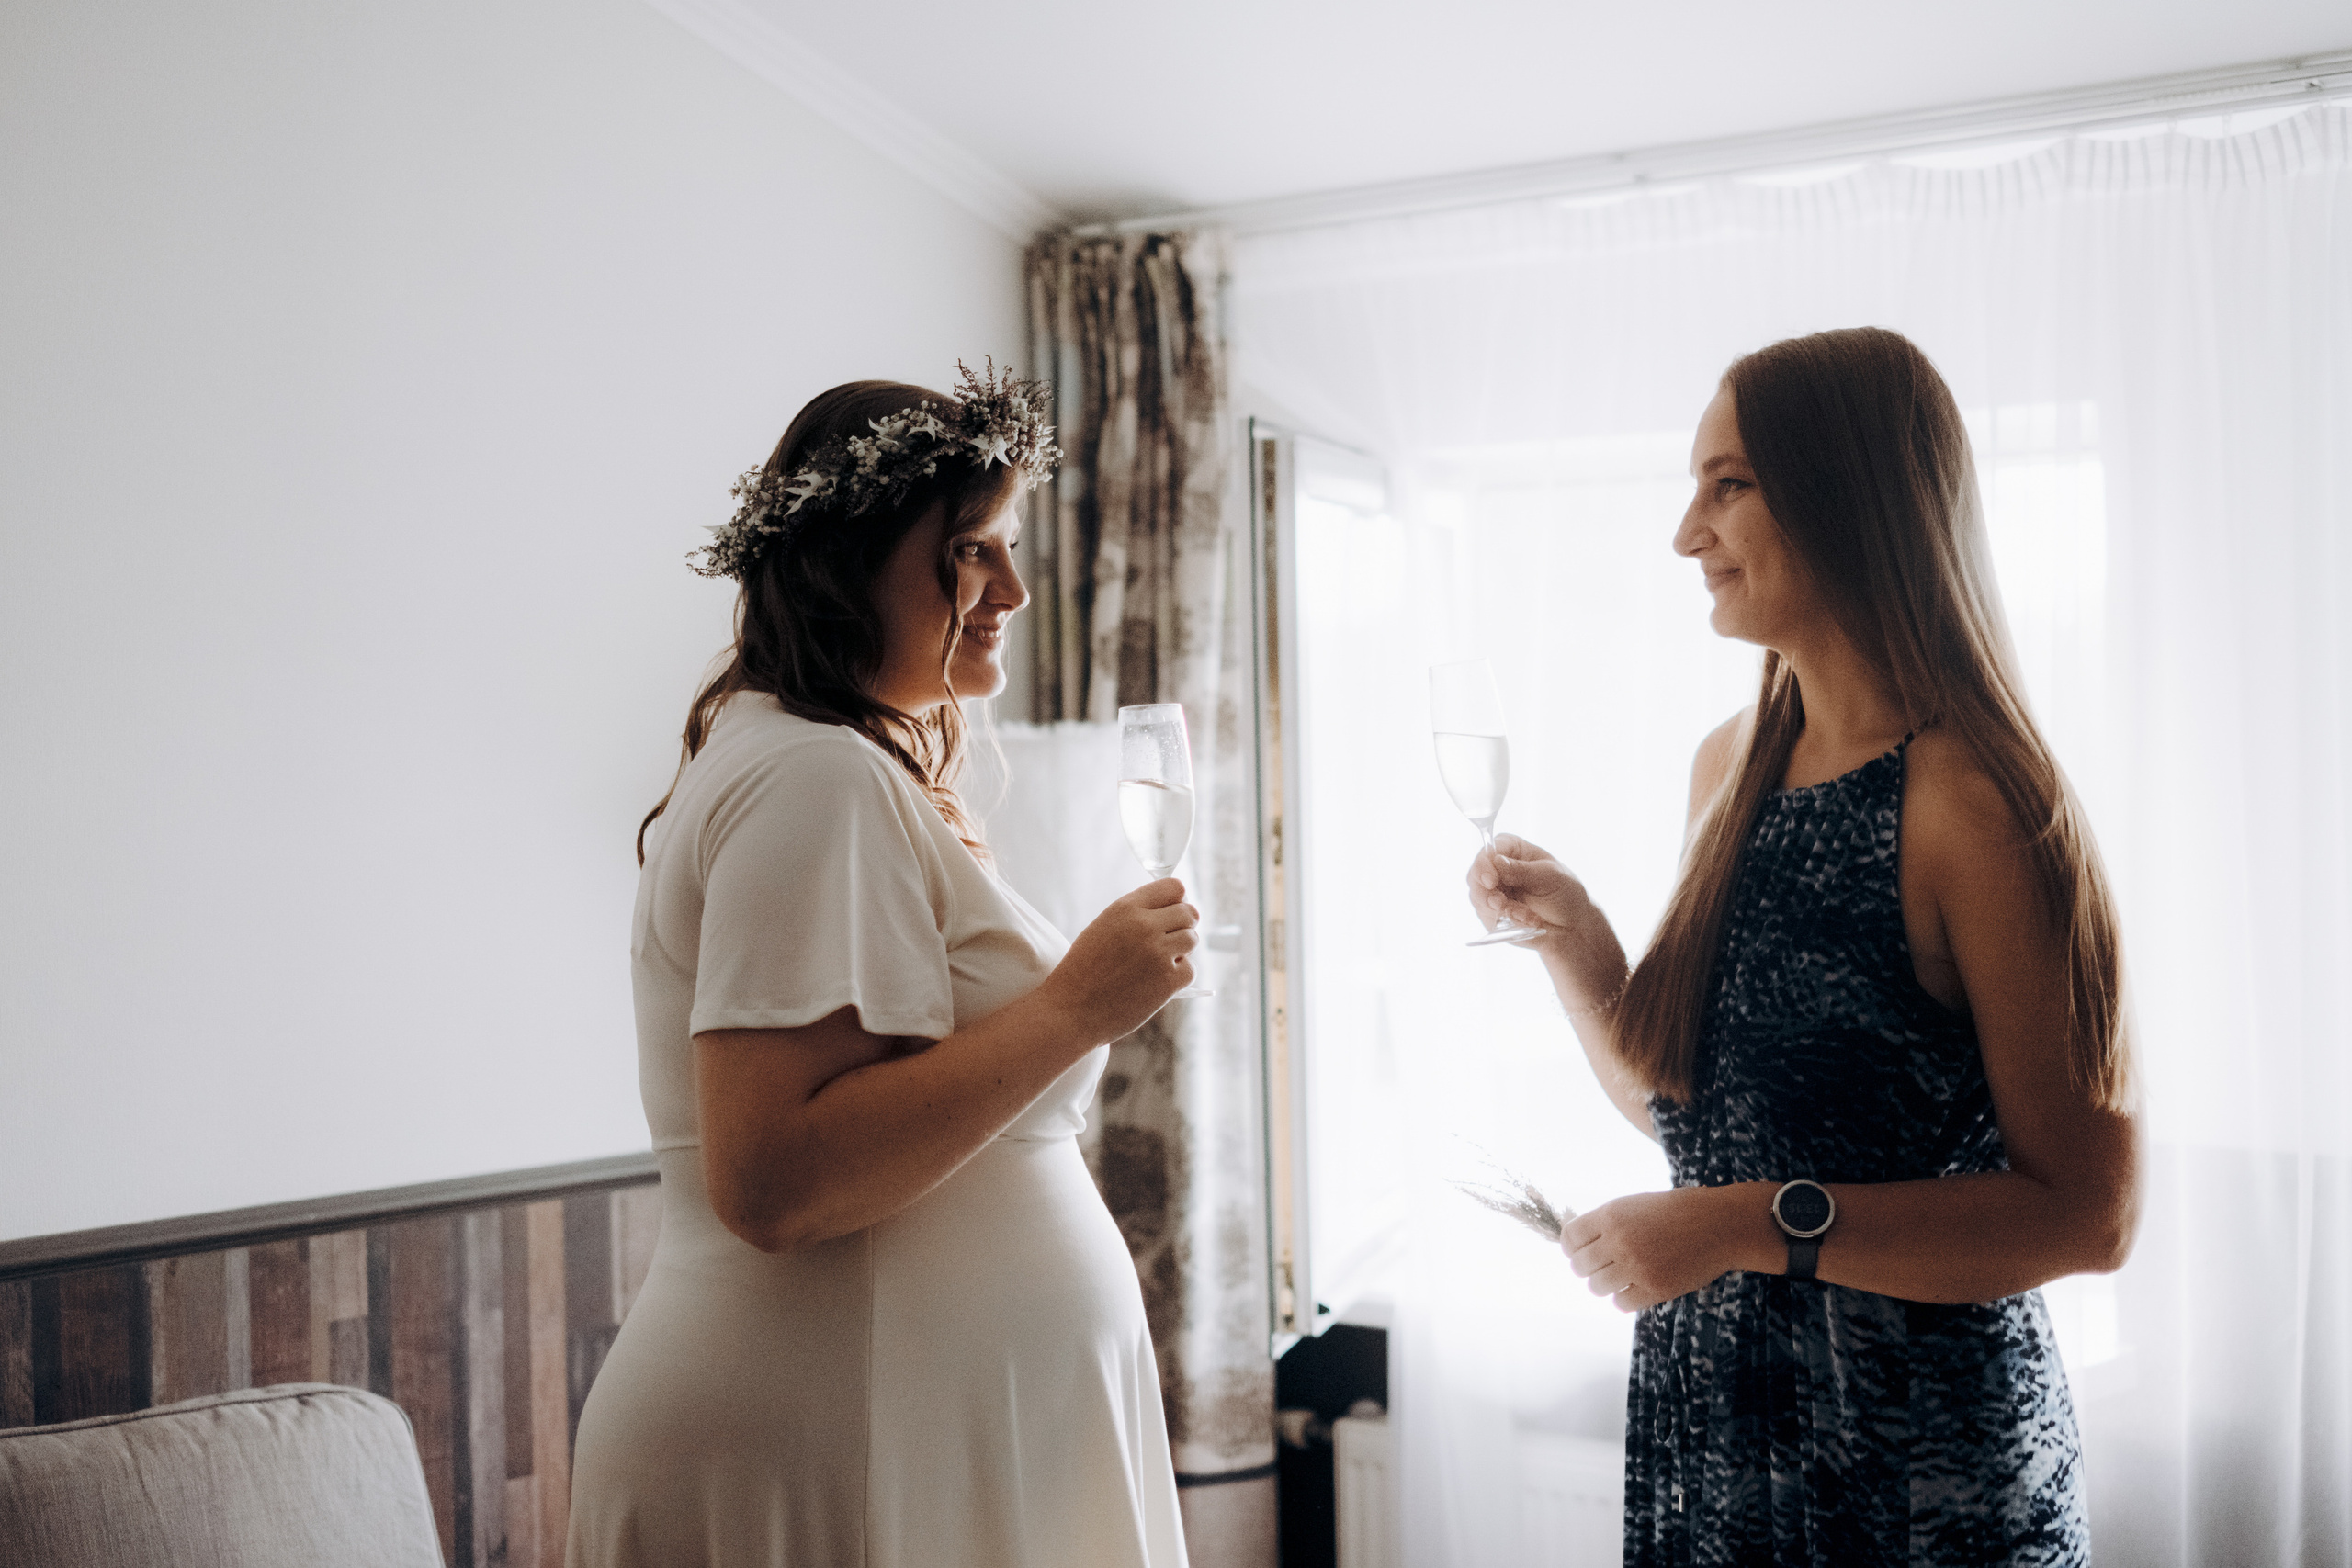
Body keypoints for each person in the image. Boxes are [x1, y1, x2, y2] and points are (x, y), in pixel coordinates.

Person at [1469, 327, 2138, 1566]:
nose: (1687, 533)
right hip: (1722, 1439)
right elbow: (1702, 1125)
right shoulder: (1727, 768)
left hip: (1914, 1473)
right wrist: (1586, 953)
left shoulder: (1979, 803)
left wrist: (1738, 1227)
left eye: (1729, 484)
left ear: (1848, 494)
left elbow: (2089, 1216)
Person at [569, 365, 1195, 1567]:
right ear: (847, 562)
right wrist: (1078, 1007)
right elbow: (774, 1180)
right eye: (971, 550)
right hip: (846, 1455)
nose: (1011, 586)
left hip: (906, 1436)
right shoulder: (813, 777)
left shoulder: (829, 766)